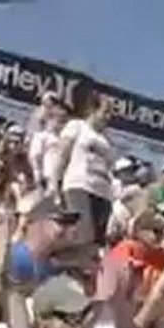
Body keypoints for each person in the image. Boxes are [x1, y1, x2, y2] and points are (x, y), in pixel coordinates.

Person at [54, 91, 115, 248]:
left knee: (95, 243)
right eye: (105, 111)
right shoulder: (77, 126)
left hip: (102, 193)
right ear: (93, 110)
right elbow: (62, 155)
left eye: (111, 113)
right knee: (81, 235)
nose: (109, 117)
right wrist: (55, 187)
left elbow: (110, 168)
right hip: (79, 186)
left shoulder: (107, 140)